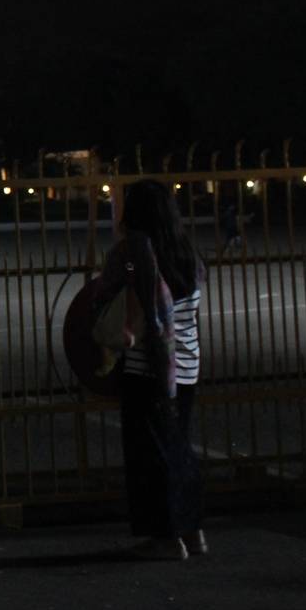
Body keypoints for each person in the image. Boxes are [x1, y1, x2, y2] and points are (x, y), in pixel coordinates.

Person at [101, 178, 205, 561]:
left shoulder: (135, 252)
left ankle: (166, 536)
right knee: (179, 448)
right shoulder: (186, 251)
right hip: (187, 364)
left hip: (150, 366)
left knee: (150, 454)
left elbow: (106, 291)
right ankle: (192, 531)